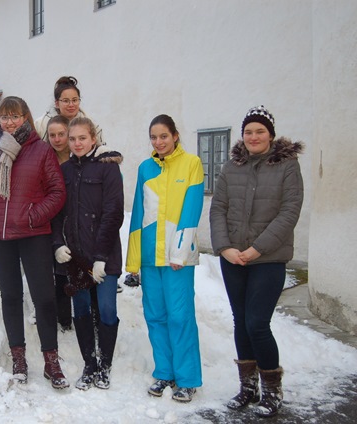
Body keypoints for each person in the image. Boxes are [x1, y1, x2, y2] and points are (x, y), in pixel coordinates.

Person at [0, 96, 69, 389]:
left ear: (25, 117)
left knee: (44, 298)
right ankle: (19, 359)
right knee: (10, 297)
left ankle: (51, 361)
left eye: (15, 116)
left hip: (33, 234)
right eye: (4, 116)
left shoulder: (41, 151)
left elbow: (57, 192)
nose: (9, 122)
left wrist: (35, 215)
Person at [209, 105, 304, 418]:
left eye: (259, 131)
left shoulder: (288, 166)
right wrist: (224, 247)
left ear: (271, 134)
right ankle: (248, 389)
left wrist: (257, 249)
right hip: (233, 258)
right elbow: (218, 208)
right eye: (248, 131)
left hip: (268, 259)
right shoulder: (231, 166)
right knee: (240, 323)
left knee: (257, 324)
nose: (253, 136)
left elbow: (289, 212)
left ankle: (272, 391)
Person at [126, 114, 204, 403]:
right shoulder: (146, 168)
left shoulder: (192, 164)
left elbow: (192, 209)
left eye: (164, 136)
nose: (159, 142)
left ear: (175, 136)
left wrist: (180, 253)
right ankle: (164, 372)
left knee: (180, 317)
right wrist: (132, 262)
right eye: (154, 137)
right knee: (155, 317)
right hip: (149, 257)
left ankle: (187, 379)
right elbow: (137, 215)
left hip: (177, 259)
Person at [52, 117, 123, 390]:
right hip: (76, 258)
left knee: (106, 309)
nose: (77, 143)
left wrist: (102, 256)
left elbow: (113, 212)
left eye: (82, 138)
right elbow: (58, 213)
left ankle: (105, 365)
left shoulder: (108, 169)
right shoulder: (65, 171)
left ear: (94, 139)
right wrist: (57, 244)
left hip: (104, 256)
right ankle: (89, 364)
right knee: (80, 309)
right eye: (72, 139)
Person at [46, 115, 73, 331]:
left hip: (75, 219)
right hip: (52, 218)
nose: (57, 139)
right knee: (59, 272)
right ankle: (64, 319)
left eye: (61, 134)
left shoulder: (78, 154)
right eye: (52, 135)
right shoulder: (45, 157)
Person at [34, 76, 103, 145]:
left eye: (74, 100)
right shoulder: (41, 125)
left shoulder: (91, 125)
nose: (71, 105)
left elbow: (102, 150)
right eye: (66, 101)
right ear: (57, 103)